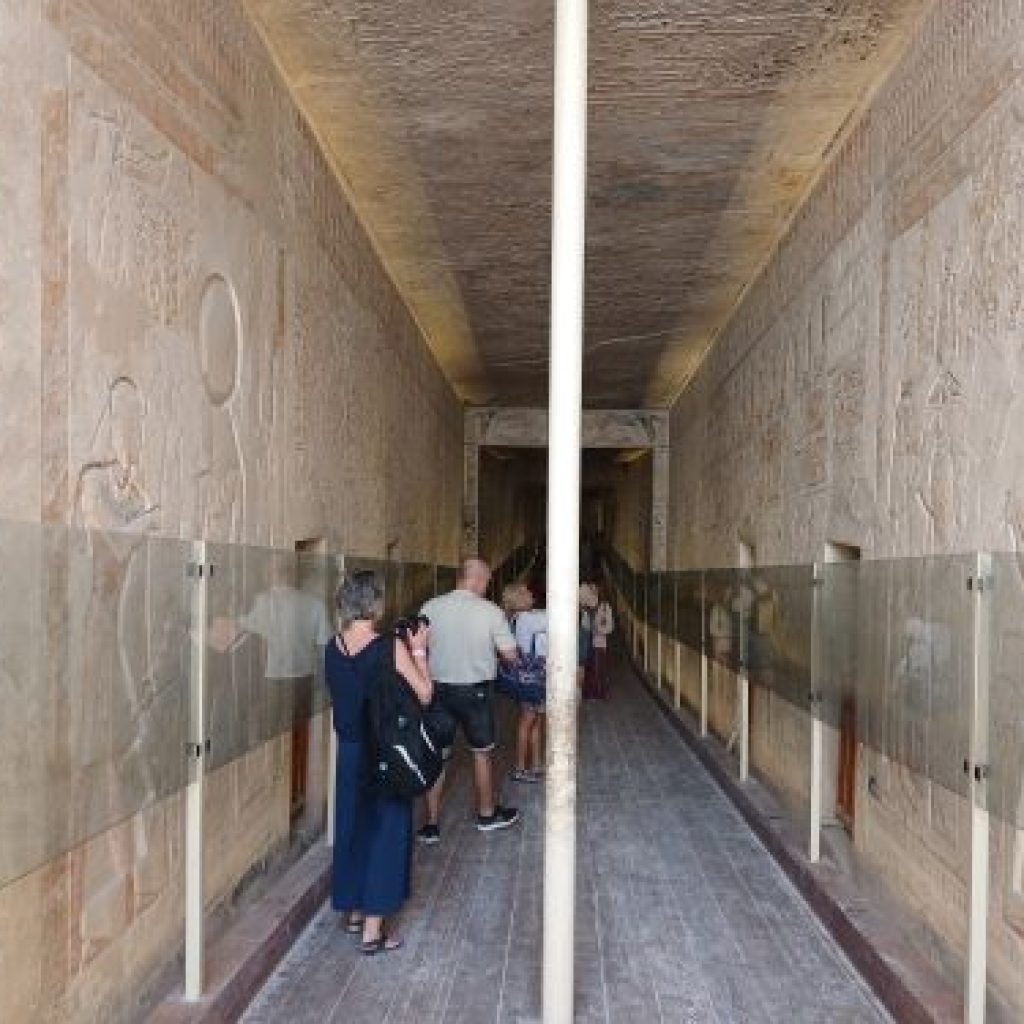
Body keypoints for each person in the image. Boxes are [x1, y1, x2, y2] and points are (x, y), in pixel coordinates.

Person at [324, 570, 432, 954]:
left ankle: (354, 911)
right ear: (376, 604)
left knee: (353, 828)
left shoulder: (333, 647)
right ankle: (373, 931)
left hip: (350, 751)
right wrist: (418, 650)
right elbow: (424, 693)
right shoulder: (389, 647)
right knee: (385, 832)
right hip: (384, 754)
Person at [417, 558, 520, 842]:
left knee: (437, 755)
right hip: (476, 693)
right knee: (481, 753)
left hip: (438, 690)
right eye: (487, 581)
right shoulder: (491, 612)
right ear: (477, 579)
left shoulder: (430, 607)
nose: (487, 586)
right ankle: (487, 815)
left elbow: (418, 648)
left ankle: (431, 825)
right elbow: (510, 655)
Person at [502, 582, 547, 783]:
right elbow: (558, 618)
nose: (531, 594)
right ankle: (520, 768)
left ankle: (536, 765)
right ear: (519, 598)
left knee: (535, 721)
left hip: (528, 678)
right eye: (527, 592)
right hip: (533, 679)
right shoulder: (528, 619)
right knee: (528, 721)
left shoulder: (516, 618)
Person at [586, 582, 615, 699]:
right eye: (592, 591)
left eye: (595, 591)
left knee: (599, 668)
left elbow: (610, 626)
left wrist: (598, 629)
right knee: (589, 668)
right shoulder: (586, 608)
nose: (594, 594)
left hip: (599, 643)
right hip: (586, 642)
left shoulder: (605, 608)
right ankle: (590, 691)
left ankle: (602, 691)